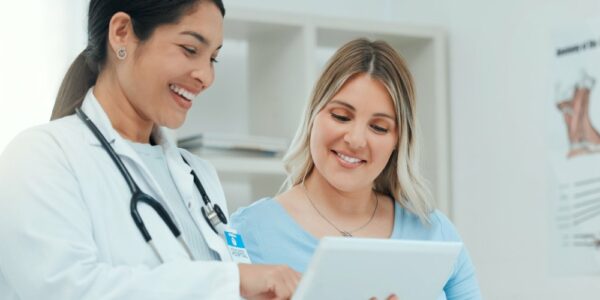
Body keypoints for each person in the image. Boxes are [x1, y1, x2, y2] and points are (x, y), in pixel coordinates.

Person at [0, 1, 300, 299]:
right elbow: (62, 290)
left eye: (213, 59)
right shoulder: (40, 157)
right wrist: (230, 282)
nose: (206, 77)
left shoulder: (199, 175)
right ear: (121, 33)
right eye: (190, 50)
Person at [230, 38, 482, 299]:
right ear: (313, 115)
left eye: (379, 127)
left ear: (398, 140)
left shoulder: (434, 231)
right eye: (341, 116)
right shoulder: (247, 231)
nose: (356, 140)